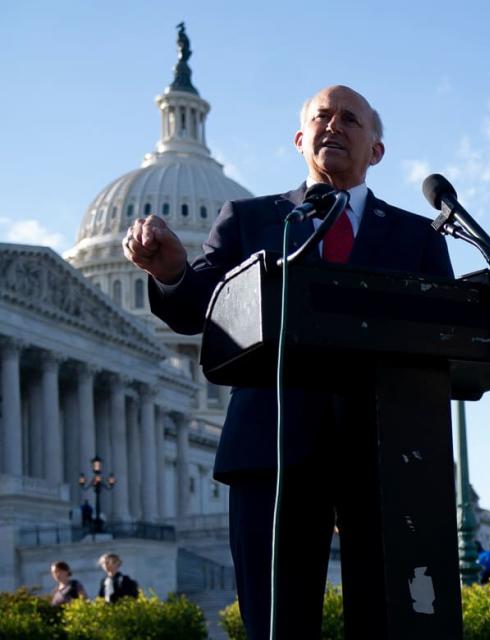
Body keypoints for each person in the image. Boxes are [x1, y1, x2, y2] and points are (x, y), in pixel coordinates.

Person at [123, 85, 453, 639]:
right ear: (301, 139)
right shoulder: (250, 218)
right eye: (322, 117)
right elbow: (201, 304)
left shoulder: (417, 236)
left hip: (387, 455)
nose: (334, 125)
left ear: (376, 149)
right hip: (272, 452)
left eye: (351, 119)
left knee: (397, 622)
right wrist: (173, 272)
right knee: (278, 625)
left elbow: (445, 333)